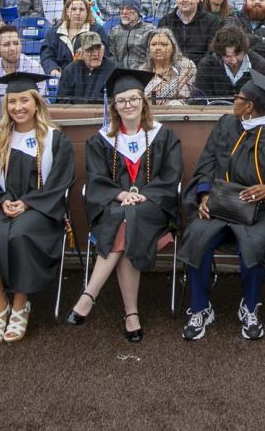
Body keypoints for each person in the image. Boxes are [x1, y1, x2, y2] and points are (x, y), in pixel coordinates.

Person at [179, 72, 265, 341]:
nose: (234, 101)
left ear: (250, 105)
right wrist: (204, 195)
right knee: (196, 236)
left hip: (260, 212)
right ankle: (200, 307)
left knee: (253, 245)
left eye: (238, 97)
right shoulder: (226, 125)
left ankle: (250, 306)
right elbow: (207, 163)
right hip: (219, 205)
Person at [66, 69, 182, 341]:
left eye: (133, 99)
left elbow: (171, 176)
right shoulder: (101, 140)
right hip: (115, 208)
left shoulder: (163, 136)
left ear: (143, 101)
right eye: (122, 101)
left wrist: (145, 195)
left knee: (130, 218)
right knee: (126, 219)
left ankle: (88, 295)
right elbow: (95, 179)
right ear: (114, 107)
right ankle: (131, 314)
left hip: (152, 208)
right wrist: (120, 195)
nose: (128, 105)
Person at [0, 71, 74, 345]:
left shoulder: (54, 140)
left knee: (20, 234)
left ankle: (20, 303)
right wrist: (1, 201)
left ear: (36, 103)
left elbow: (59, 182)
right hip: (0, 205)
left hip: (41, 209)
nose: (18, 107)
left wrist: (28, 203)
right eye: (12, 101)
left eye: (24, 100)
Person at [193, 23, 265, 103]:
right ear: (220, 54)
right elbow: (200, 101)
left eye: (237, 55)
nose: (234, 60)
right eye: (228, 56)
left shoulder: (261, 66)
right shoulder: (206, 66)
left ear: (244, 50)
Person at [0, 25, 48, 106]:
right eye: (7, 44)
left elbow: (41, 105)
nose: (12, 48)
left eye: (16, 43)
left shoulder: (34, 67)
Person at [158, 0, 222, 63]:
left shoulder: (212, 22)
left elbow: (212, 53)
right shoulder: (165, 22)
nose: (185, 0)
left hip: (200, 71)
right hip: (171, 69)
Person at [56, 31, 117, 104]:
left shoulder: (113, 69)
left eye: (98, 48)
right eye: (90, 50)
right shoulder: (70, 71)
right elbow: (62, 101)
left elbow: (116, 100)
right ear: (80, 53)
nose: (95, 54)